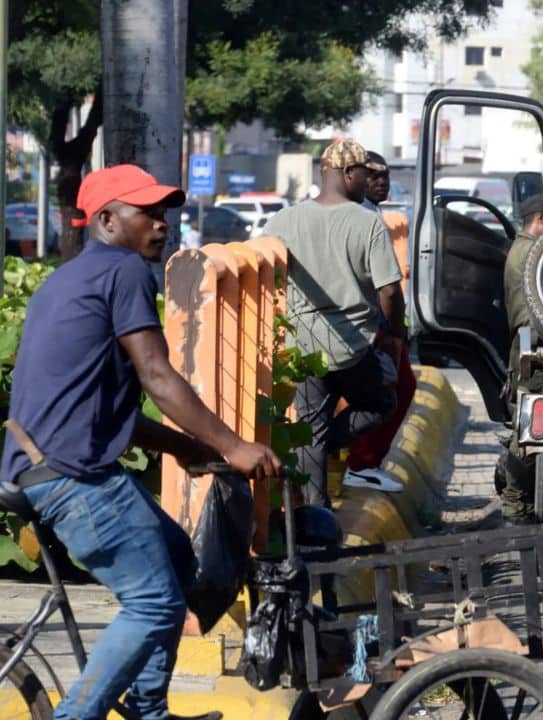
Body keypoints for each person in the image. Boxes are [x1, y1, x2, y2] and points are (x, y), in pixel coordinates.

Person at [0, 164, 281, 720]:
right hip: (73, 476)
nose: (161, 224)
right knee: (154, 602)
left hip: (47, 463)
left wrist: (187, 448)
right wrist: (232, 445)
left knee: (176, 564)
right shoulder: (123, 270)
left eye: (164, 213)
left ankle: (148, 710)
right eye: (147, 213)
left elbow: (106, 410)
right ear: (107, 220)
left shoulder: (70, 278)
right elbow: (156, 375)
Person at [264, 140, 405, 504]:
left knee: (310, 430)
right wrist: (395, 333)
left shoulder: (282, 221)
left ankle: (316, 513)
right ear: (348, 173)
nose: (368, 182)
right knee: (382, 403)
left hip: (303, 348)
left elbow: (262, 271)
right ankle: (322, 445)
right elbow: (390, 291)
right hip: (353, 346)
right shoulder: (367, 223)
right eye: (364, 174)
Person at [341, 150, 415, 492]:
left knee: (398, 388)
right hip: (369, 323)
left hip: (376, 320)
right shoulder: (359, 215)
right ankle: (359, 462)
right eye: (372, 175)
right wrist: (391, 330)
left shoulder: (372, 213)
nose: (381, 182)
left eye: (384, 175)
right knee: (389, 391)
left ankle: (362, 461)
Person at [498, 193, 543, 523]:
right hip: (532, 345)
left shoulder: (523, 249)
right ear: (541, 219)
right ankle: (514, 500)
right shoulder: (532, 253)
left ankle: (512, 488)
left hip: (526, 344)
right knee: (530, 426)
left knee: (527, 423)